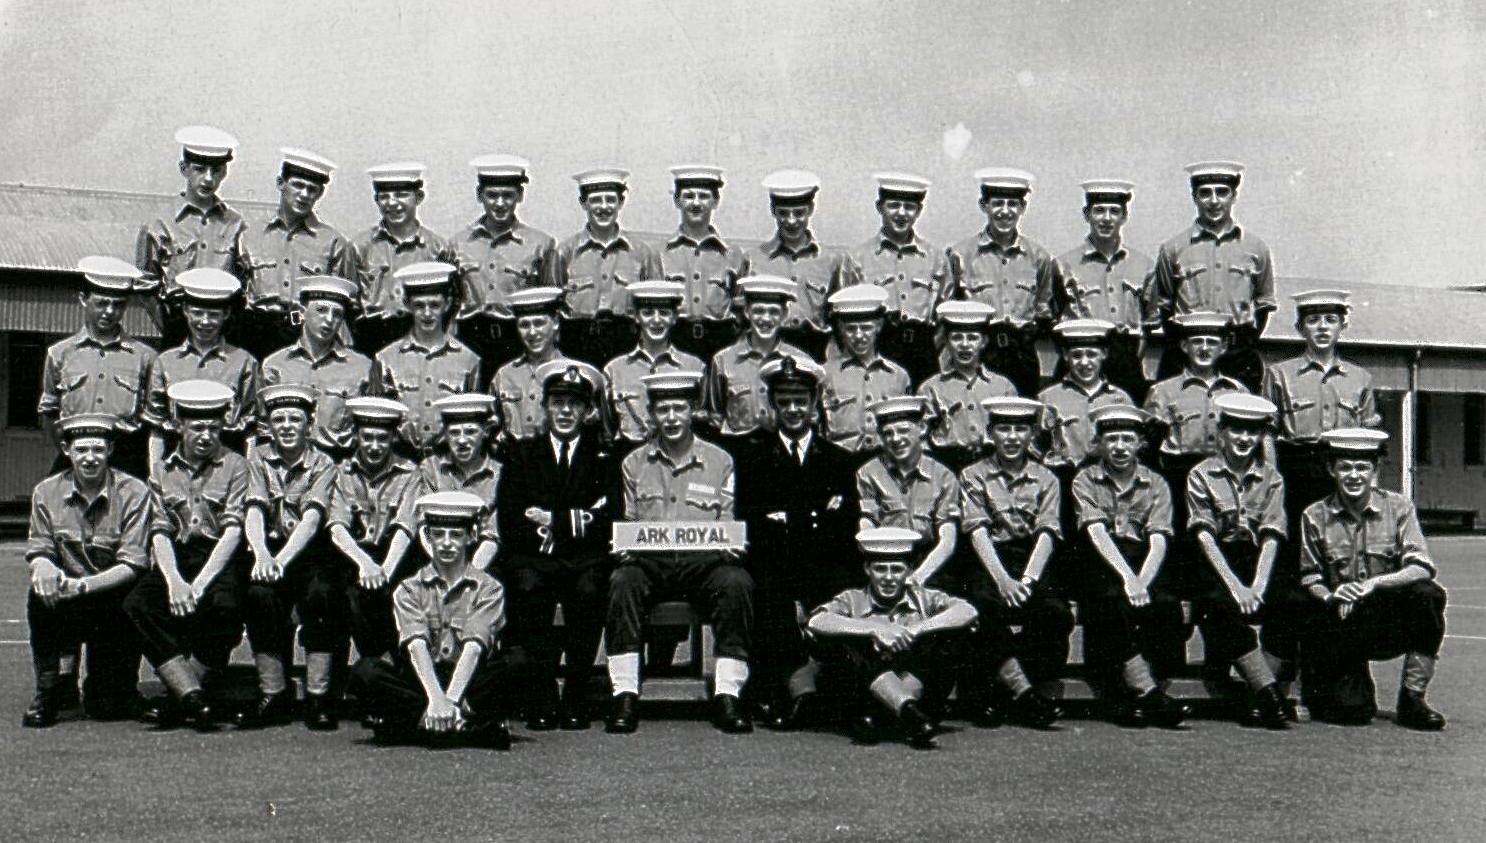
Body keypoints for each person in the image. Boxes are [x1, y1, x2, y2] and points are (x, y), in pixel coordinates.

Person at [605, 371, 754, 735]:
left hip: (701, 563)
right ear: (652, 414)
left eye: (680, 409)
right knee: (622, 581)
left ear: (693, 411)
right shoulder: (633, 463)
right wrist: (624, 545)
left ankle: (727, 692)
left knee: (737, 582)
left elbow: (726, 518)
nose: (671, 418)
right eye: (663, 410)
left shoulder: (720, 460)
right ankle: (624, 692)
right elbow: (629, 518)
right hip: (651, 562)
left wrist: (732, 543)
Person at [733, 355, 859, 729]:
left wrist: (789, 519)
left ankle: (833, 693)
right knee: (769, 597)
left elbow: (842, 527)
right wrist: (812, 517)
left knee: (838, 597)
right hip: (774, 562)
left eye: (800, 401)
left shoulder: (838, 460)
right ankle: (780, 692)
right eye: (784, 401)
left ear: (815, 403)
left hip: (823, 562)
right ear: (772, 404)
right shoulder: (752, 457)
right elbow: (753, 523)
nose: (792, 409)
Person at [1297, 429, 1448, 730]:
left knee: (1428, 595)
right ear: (1332, 469)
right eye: (1345, 467)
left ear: (1375, 470)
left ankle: (1412, 699)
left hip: (1385, 618)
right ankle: (1339, 682)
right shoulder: (1314, 515)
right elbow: (1309, 576)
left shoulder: (1399, 508)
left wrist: (1373, 585)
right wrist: (1332, 595)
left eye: (1362, 467)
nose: (1354, 476)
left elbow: (1421, 567)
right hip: (1343, 621)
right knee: (1352, 714)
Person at [497, 362, 618, 731]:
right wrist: (577, 520)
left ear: (588, 411)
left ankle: (576, 692)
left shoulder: (603, 457)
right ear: (545, 407)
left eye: (575, 404)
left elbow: (609, 521)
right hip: (535, 558)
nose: (566, 411)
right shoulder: (522, 454)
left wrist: (552, 521)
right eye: (558, 402)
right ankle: (542, 692)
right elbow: (513, 519)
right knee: (528, 585)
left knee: (590, 587)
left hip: (584, 561)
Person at [123, 381, 250, 730]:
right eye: (197, 427)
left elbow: (233, 530)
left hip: (220, 555)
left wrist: (199, 585)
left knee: (226, 606)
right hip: (177, 555)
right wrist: (176, 582)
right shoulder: (162, 471)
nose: (206, 436)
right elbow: (160, 531)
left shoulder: (236, 465)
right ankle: (192, 695)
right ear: (180, 425)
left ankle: (183, 695)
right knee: (139, 604)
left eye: (213, 427)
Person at [350, 491, 520, 749]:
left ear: (471, 537)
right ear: (427, 537)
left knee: (519, 662)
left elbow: (474, 648)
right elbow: (416, 646)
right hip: (423, 680)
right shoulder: (407, 588)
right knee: (366, 672)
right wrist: (435, 699)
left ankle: (417, 727)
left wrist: (449, 702)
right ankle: (466, 727)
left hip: (469, 679)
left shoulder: (490, 588)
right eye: (438, 535)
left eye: (456, 535)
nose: (447, 543)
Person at [1185, 394, 1307, 729]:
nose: (1243, 439)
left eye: (1251, 433)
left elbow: (1271, 535)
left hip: (1257, 560)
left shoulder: (1272, 478)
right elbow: (1204, 535)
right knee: (1217, 605)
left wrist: (1257, 585)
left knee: (1292, 600)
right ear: (1220, 433)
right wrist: (1237, 586)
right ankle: (1268, 692)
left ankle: (1257, 696)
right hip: (1216, 559)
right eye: (1236, 430)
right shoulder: (1201, 474)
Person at [23, 414, 152, 727]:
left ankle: (116, 687)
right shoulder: (46, 492)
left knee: (107, 708)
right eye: (82, 450)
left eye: (97, 450)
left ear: (110, 450)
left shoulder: (135, 492)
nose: (90, 458)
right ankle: (51, 688)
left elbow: (133, 564)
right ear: (67, 450)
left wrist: (84, 586)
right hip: (67, 591)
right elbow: (40, 547)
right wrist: (43, 568)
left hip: (112, 595)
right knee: (39, 596)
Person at [1070, 404, 1189, 727]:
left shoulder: (1157, 483)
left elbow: (1160, 537)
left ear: (1140, 444)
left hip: (1145, 559)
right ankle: (1143, 692)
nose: (1120, 447)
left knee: (1166, 605)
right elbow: (1096, 532)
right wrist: (1127, 579)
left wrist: (1142, 581)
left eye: (1127, 439)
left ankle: (1137, 693)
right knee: (1110, 602)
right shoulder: (1085, 479)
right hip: (1101, 558)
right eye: (1111, 439)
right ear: (1098, 444)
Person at [807, 527, 977, 749]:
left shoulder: (924, 597)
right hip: (865, 691)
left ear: (909, 571)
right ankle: (909, 714)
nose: (888, 577)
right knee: (846, 638)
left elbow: (968, 611)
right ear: (867, 569)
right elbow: (816, 621)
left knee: (952, 632)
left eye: (897, 570)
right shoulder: (853, 598)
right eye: (880, 569)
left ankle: (888, 716)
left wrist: (917, 629)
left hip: (917, 683)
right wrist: (872, 629)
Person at [957, 396, 1069, 729]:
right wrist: (1004, 581)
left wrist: (1029, 580)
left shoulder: (1047, 477)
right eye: (1003, 429)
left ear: (1031, 434)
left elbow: (1047, 532)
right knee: (981, 610)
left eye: (1020, 430)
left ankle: (1000, 690)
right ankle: (1025, 695)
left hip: (1032, 557)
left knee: (1056, 616)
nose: (1011, 437)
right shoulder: (973, 474)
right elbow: (977, 531)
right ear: (990, 433)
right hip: (989, 558)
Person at [237, 384, 341, 731]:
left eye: (294, 419)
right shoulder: (256, 459)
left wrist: (281, 559)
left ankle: (318, 695)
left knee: (321, 595)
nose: (286, 425)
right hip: (268, 547)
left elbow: (312, 518)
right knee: (258, 595)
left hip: (308, 552)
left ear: (309, 424)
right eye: (278, 419)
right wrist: (263, 554)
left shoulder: (323, 462)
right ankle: (274, 693)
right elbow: (253, 508)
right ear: (269, 425)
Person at [1262, 289, 1380, 553]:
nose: (1322, 328)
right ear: (1300, 328)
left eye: (1330, 319)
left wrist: (1371, 485)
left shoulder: (1360, 378)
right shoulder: (1279, 374)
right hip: (1296, 466)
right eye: (1313, 320)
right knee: (1294, 539)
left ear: (1343, 326)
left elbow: (1368, 437)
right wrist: (1273, 477)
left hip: (1342, 465)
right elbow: (1268, 433)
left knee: (1342, 536)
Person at [1149, 161, 1275, 391]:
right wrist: (1184, 343)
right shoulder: (1173, 249)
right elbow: (1165, 304)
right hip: (1187, 350)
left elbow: (1264, 303)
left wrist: (1243, 343)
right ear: (1194, 197)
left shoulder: (1256, 248)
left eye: (1222, 192)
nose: (1214, 201)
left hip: (1237, 353)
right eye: (1205, 193)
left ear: (1234, 196)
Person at [37, 256, 155, 479]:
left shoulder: (145, 357)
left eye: (118, 305)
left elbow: (152, 418)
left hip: (127, 458)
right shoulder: (60, 353)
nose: (110, 311)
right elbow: (50, 410)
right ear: (83, 299)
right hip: (77, 454)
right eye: (102, 303)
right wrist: (70, 449)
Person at [946, 167, 1057, 396]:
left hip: (1022, 353)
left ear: (1022, 208)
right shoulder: (960, 255)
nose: (1005, 211)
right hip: (980, 352)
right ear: (984, 205)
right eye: (998, 203)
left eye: (1012, 204)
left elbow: (1043, 308)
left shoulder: (1039, 257)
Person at [327, 397, 423, 663]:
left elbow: (406, 526)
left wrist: (385, 572)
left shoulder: (410, 474)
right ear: (356, 436)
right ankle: (372, 663)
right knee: (348, 595)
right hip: (353, 556)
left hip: (395, 556)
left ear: (393, 438)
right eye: (367, 437)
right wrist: (365, 565)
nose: (374, 446)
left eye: (382, 438)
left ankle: (394, 667)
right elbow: (337, 527)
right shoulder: (342, 472)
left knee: (399, 595)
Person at [235, 148, 354, 360]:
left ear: (320, 194)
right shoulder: (250, 236)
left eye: (312, 189)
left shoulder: (333, 242)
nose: (304, 195)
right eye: (298, 185)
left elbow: (341, 302)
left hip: (302, 331)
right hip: (254, 331)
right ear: (281, 184)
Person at [135, 125, 245, 348]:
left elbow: (243, 282)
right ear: (184, 169)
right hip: (178, 323)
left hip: (222, 326)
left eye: (215, 171)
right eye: (199, 169)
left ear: (224, 172)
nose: (207, 179)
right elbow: (145, 285)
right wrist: (169, 323)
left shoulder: (236, 225)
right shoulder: (159, 224)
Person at [451, 154, 559, 379]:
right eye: (492, 195)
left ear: (520, 195)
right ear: (480, 195)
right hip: (470, 335)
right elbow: (451, 301)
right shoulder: (458, 244)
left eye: (507, 195)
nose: (499, 203)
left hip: (517, 337)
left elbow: (550, 303)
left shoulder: (540, 244)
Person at [143, 267, 257, 466]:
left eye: (213, 315)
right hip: (176, 464)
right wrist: (157, 476)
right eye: (197, 313)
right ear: (186, 311)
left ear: (226, 314)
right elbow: (156, 428)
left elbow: (251, 430)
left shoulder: (244, 362)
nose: (205, 322)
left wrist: (249, 476)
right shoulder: (165, 362)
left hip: (228, 464)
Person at [1053, 179, 1154, 401]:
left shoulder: (1144, 265)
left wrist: (1129, 355)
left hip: (1126, 357)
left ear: (1124, 216)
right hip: (1081, 353)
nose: (1106, 218)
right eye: (1099, 211)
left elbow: (1150, 321)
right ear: (1086, 214)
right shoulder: (1063, 265)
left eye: (1114, 211)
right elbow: (1053, 319)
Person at [553, 167, 663, 365]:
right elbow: (552, 307)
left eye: (610, 200)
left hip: (626, 343)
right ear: (583, 203)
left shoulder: (642, 253)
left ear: (621, 202)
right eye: (595, 200)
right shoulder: (565, 252)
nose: (603, 207)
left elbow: (657, 306)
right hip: (578, 344)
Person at [745, 170, 858, 360]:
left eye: (799, 213)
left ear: (811, 209)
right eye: (783, 213)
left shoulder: (832, 261)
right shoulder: (754, 259)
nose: (791, 221)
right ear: (773, 210)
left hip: (816, 350)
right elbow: (743, 316)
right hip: (768, 348)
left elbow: (842, 319)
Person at [371, 261, 480, 457]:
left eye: (434, 305)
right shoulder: (385, 359)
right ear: (407, 305)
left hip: (447, 460)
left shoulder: (469, 360)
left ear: (446, 304)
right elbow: (379, 420)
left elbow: (472, 421)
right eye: (419, 305)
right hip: (401, 459)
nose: (427, 313)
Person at [849, 172, 949, 385]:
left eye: (909, 207)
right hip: (879, 348)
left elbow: (945, 317)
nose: (901, 213)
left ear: (919, 211)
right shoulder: (858, 258)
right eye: (894, 205)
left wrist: (929, 347)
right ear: (880, 207)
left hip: (923, 352)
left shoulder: (937, 259)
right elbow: (844, 318)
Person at [260, 275, 374, 457]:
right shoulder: (276, 365)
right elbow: (264, 429)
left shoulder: (363, 367)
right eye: (321, 310)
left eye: (337, 314)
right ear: (302, 312)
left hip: (339, 464)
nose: (329, 320)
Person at [855, 396, 960, 591]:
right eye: (887, 433)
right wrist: (886, 570)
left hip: (930, 563)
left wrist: (919, 577)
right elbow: (867, 523)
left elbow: (947, 540)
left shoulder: (944, 476)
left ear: (921, 428)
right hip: (884, 559)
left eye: (903, 430)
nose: (895, 439)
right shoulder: (868, 473)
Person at [352, 162, 453, 357]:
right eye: (384, 197)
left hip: (418, 332)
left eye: (401, 195)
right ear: (376, 200)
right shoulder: (360, 247)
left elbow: (449, 302)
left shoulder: (437, 248)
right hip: (370, 335)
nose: (392, 203)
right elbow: (350, 303)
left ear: (419, 197)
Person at [405, 393, 504, 573]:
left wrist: (468, 573)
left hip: (483, 560)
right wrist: (445, 568)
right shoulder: (431, 468)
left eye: (471, 431)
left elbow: (492, 534)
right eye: (454, 432)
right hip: (433, 554)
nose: (462, 440)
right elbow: (422, 524)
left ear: (485, 432)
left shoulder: (499, 474)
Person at [916, 301, 1017, 473]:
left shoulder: (1003, 387)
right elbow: (920, 437)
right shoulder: (931, 388)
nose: (964, 344)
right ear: (946, 341)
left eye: (972, 337)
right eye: (956, 337)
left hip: (990, 467)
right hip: (946, 465)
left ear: (984, 341)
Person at [603, 280, 706, 448]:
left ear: (674, 317)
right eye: (648, 312)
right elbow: (608, 428)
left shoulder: (694, 367)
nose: (656, 320)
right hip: (627, 454)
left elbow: (700, 422)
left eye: (664, 313)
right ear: (636, 317)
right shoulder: (615, 370)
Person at [706, 275, 810, 442]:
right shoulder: (723, 361)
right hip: (739, 449)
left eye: (773, 312)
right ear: (747, 312)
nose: (766, 319)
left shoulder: (800, 360)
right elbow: (715, 415)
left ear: (784, 314)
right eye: (759, 311)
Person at [662, 165, 748, 362]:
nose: (696, 203)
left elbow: (741, 309)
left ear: (716, 201)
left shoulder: (733, 255)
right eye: (689, 196)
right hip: (676, 340)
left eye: (703, 196)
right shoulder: (661, 254)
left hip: (720, 342)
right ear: (677, 200)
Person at [820, 285, 912, 456]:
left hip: (885, 458)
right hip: (840, 458)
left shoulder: (898, 376)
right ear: (840, 330)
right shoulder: (825, 374)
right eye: (850, 329)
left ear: (878, 327)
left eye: (866, 328)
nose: (859, 335)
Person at [490, 287, 581, 449]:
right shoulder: (504, 375)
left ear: (555, 323)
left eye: (539, 323)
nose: (532, 333)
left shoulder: (574, 373)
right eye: (524, 325)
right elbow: (492, 425)